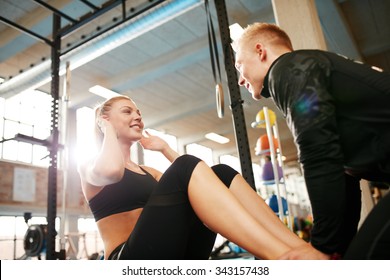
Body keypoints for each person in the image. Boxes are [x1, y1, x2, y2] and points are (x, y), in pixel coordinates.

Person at [77, 95, 326, 260]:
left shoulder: (148, 172)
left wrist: (166, 149)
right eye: (127, 111)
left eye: (139, 111)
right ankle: (283, 260)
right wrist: (105, 127)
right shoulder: (90, 165)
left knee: (221, 173)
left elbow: (199, 184)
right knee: (186, 165)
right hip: (128, 260)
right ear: (105, 119)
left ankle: (299, 249)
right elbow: (112, 171)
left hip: (175, 253)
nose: (138, 115)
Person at [233, 22, 390, 259]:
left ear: (260, 51)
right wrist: (335, 248)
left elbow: (319, 154)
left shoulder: (288, 69)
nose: (239, 80)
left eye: (239, 65)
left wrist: (321, 248)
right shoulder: (305, 71)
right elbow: (344, 175)